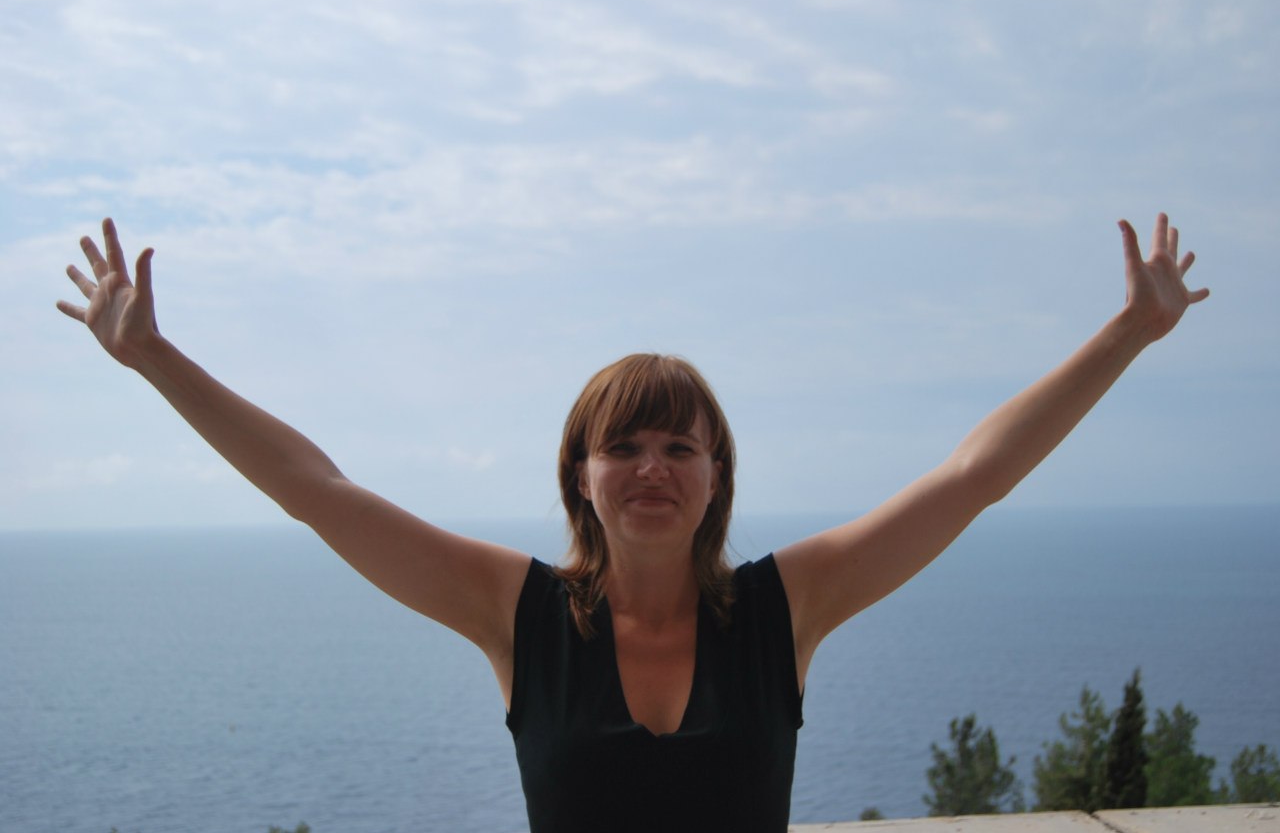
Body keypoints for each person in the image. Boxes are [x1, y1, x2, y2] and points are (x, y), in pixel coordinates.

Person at [57, 214, 1207, 832]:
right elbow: (320, 490)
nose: (651, 466)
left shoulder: (786, 606)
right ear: (580, 476)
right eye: (623, 444)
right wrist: (154, 356)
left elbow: (969, 477)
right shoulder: (513, 613)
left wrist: (1125, 334)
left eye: (678, 446)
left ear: (715, 478)